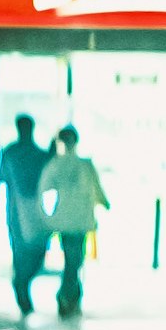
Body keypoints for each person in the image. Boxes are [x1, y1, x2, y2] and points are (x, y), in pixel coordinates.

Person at [41, 122, 108, 319]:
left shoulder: (56, 165)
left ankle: (68, 296)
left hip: (64, 221)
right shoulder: (84, 165)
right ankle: (68, 295)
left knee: (72, 261)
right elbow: (97, 190)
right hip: (80, 221)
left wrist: (48, 217)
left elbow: (42, 190)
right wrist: (105, 203)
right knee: (75, 261)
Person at [0, 113, 51, 318]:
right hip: (18, 212)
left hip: (28, 211)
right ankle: (22, 289)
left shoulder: (31, 153)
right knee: (23, 252)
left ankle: (21, 284)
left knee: (33, 252)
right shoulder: (14, 153)